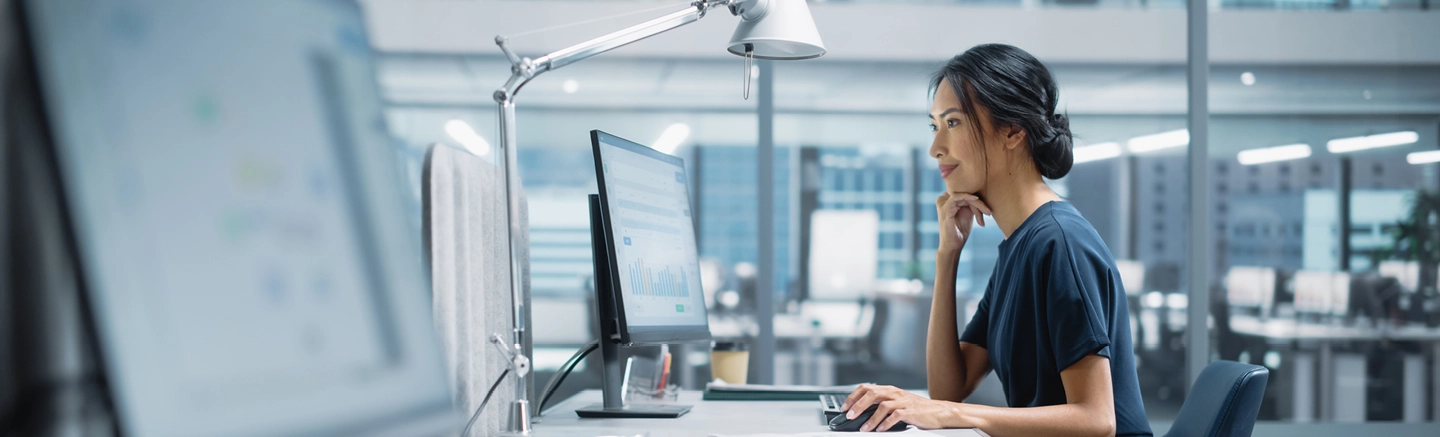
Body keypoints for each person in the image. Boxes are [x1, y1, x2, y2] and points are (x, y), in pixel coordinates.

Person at [839, 44, 1150, 437]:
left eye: (953, 123)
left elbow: (1097, 419)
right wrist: (947, 255)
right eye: (935, 126)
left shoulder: (1059, 243)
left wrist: (961, 415)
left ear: (1013, 131)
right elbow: (949, 388)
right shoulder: (1020, 246)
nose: (936, 148)